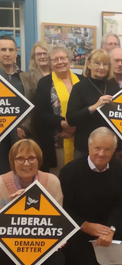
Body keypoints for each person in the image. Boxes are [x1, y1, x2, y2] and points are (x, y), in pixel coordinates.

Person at [59, 127, 122, 265]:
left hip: (105, 226)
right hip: (79, 226)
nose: (101, 154)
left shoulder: (117, 169)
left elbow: (120, 203)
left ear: (114, 151)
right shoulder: (70, 171)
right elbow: (64, 208)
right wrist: (84, 225)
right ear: (89, 147)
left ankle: (109, 260)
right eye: (97, 148)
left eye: (107, 149)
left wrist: (111, 229)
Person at [0, 139, 67, 265]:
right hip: (9, 244)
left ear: (38, 160)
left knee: (57, 263)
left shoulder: (52, 182)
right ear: (13, 161)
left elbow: (58, 221)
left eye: (31, 158)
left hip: (42, 243)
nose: (26, 163)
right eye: (20, 158)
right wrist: (12, 207)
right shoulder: (0, 183)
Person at [34, 45, 81, 175]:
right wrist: (63, 124)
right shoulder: (44, 83)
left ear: (69, 59)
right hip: (56, 141)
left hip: (80, 140)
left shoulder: (82, 80)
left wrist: (74, 127)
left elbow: (87, 109)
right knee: (57, 177)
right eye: (55, 59)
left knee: (78, 178)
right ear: (50, 63)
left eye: (63, 58)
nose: (60, 62)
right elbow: (39, 113)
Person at [66, 49, 120, 158]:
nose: (101, 67)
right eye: (97, 63)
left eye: (105, 64)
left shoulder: (113, 85)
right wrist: (93, 107)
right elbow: (71, 119)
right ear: (88, 64)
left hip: (110, 146)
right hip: (85, 148)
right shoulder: (79, 87)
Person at [0, 35, 36, 174]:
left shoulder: (27, 78)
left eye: (11, 49)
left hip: (20, 137)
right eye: (3, 49)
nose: (7, 53)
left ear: (16, 52)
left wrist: (24, 129)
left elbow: (34, 106)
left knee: (19, 175)